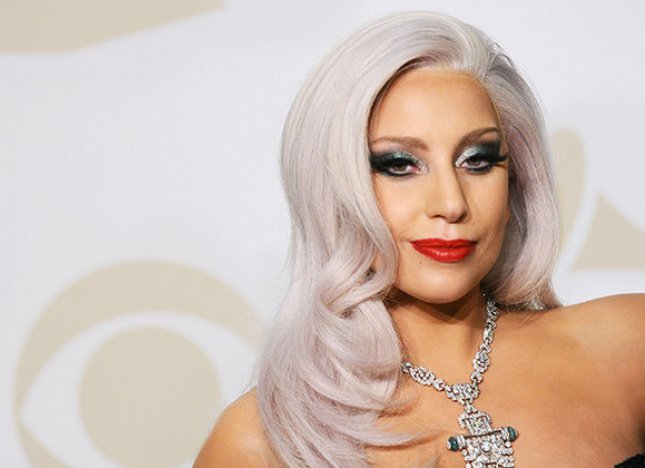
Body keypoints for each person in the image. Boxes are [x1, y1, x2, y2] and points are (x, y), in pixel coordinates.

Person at [194, 11, 645, 467]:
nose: (451, 203)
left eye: (477, 160)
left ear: (514, 181)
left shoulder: (629, 346)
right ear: (331, 188)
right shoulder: (261, 442)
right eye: (399, 165)